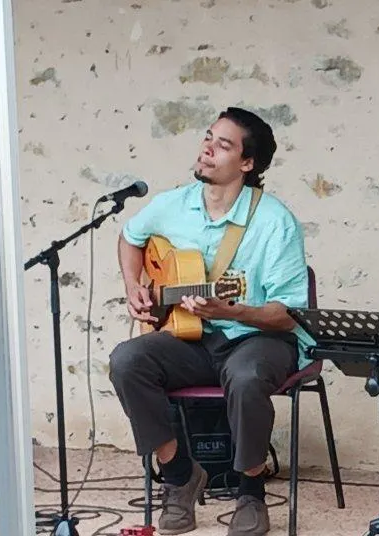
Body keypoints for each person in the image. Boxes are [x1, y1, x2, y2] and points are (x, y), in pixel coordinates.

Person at [108, 107, 313, 536]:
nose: (207, 149)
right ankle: (180, 474)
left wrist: (233, 311)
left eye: (223, 145)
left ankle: (251, 492)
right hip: (193, 337)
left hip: (259, 337)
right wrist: (133, 286)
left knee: (246, 375)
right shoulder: (172, 204)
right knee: (128, 361)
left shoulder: (275, 222)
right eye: (208, 137)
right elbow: (130, 236)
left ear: (247, 163)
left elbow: (287, 314)